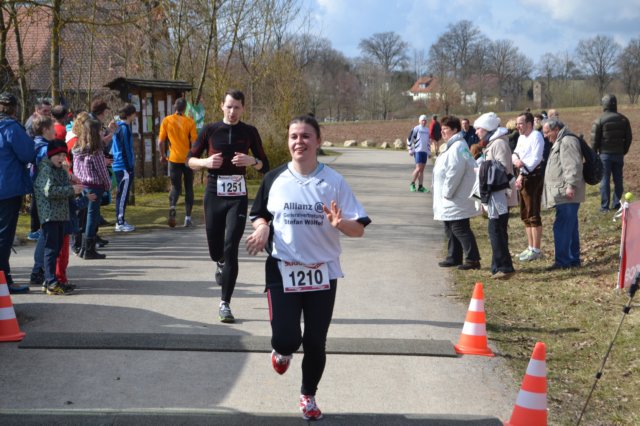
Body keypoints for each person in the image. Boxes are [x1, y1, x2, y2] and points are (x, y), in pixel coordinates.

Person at [246, 114, 370, 421]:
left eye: (305, 136)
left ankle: (308, 395)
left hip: (323, 272)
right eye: (293, 136)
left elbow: (359, 229)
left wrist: (340, 224)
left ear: (318, 140)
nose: (299, 142)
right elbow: (259, 214)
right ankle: (281, 351)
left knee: (315, 341)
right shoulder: (274, 178)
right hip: (282, 268)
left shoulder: (334, 182)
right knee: (287, 338)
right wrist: (262, 227)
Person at [187, 89, 269, 323]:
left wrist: (252, 160)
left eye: (237, 107)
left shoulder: (249, 131)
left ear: (243, 109)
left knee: (231, 245)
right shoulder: (210, 130)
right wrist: (205, 162)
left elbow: (265, 165)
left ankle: (225, 303)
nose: (232, 112)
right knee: (217, 250)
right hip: (214, 193)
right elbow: (189, 160)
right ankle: (220, 262)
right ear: (222, 106)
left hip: (237, 196)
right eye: (229, 106)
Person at [34, 139, 84, 295]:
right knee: (51, 249)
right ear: (51, 155)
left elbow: (63, 183)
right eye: (58, 155)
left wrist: (73, 183)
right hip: (50, 215)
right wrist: (71, 190)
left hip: (61, 215)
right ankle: (51, 282)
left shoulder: (59, 169)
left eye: (64, 155)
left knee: (56, 249)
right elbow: (49, 191)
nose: (62, 158)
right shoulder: (46, 169)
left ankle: (50, 280)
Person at [433, 116, 481, 270]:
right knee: (450, 226)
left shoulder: (458, 146)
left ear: (455, 130)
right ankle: (454, 256)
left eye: (446, 129)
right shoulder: (454, 146)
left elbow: (455, 172)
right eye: (442, 129)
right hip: (452, 196)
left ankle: (473, 259)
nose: (442, 132)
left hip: (455, 195)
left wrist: (447, 192)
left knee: (459, 227)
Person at [474, 112, 517, 280]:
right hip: (495, 195)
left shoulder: (498, 144)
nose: (476, 132)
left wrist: (482, 169)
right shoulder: (493, 143)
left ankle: (505, 267)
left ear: (487, 129)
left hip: (499, 196)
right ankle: (497, 267)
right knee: (497, 231)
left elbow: (503, 169)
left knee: (496, 231)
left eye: (478, 128)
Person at [0, 92, 35, 293]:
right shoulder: (11, 128)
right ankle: (5, 281)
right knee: (4, 237)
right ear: (14, 108)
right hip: (7, 187)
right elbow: (28, 153)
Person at [542, 119, 585, 270]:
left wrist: (571, 186)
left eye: (547, 132)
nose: (545, 136)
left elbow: (573, 165)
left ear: (556, 129)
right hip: (563, 191)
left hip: (566, 193)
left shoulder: (567, 141)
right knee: (570, 227)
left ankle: (562, 261)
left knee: (562, 227)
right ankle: (572, 259)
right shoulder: (562, 140)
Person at [73, 119, 111, 259]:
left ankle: (83, 247)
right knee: (92, 217)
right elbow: (102, 171)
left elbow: (76, 169)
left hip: (83, 185)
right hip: (95, 186)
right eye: (100, 130)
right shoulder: (96, 151)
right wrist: (108, 185)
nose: (102, 132)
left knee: (84, 217)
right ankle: (89, 249)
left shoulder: (77, 149)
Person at [158, 98, 198, 227]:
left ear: (174, 107)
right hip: (187, 159)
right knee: (189, 187)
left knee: (175, 186)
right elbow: (194, 142)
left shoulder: (167, 120)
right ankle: (188, 218)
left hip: (173, 158)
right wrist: (195, 158)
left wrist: (162, 155)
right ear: (185, 108)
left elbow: (160, 141)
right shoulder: (190, 121)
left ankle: (173, 207)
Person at [590, 94, 633, 212]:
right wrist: (623, 150)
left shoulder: (599, 120)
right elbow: (629, 138)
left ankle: (604, 206)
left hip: (604, 155)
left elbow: (594, 140)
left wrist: (594, 154)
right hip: (619, 154)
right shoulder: (624, 120)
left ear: (604, 105)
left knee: (605, 180)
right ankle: (616, 204)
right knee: (618, 179)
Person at [28, 115, 57, 288]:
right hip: (46, 194)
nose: (55, 131)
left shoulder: (37, 145)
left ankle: (40, 268)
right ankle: (38, 269)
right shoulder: (44, 149)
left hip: (41, 192)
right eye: (52, 128)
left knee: (45, 231)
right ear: (45, 130)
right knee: (46, 232)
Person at [512, 112, 545, 262]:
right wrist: (518, 166)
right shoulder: (521, 138)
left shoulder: (536, 136)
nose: (517, 126)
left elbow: (535, 159)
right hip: (522, 176)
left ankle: (536, 249)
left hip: (533, 177)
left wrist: (523, 170)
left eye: (520, 123)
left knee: (533, 213)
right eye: (517, 123)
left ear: (529, 124)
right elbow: (515, 154)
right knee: (525, 214)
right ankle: (530, 247)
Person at [111, 104, 137, 232]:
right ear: (129, 115)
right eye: (134, 113)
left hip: (120, 165)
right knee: (122, 195)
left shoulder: (118, 127)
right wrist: (129, 167)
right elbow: (125, 149)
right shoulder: (124, 128)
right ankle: (119, 222)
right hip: (123, 166)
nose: (135, 116)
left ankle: (121, 219)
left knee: (123, 194)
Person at [406, 114, 431, 193]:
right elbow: (409, 139)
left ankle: (420, 186)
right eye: (422, 120)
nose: (424, 122)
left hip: (424, 152)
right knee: (418, 168)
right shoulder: (416, 128)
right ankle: (412, 184)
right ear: (420, 121)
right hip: (418, 151)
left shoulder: (427, 130)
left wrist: (429, 151)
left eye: (425, 120)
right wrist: (410, 149)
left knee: (422, 170)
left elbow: (428, 141)